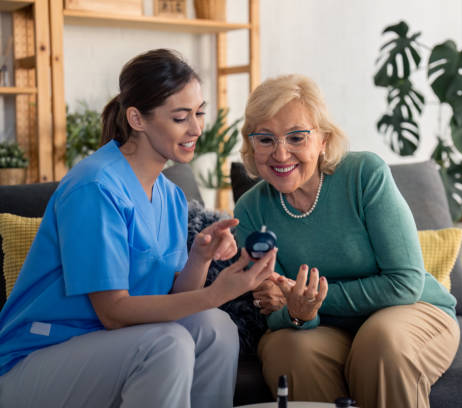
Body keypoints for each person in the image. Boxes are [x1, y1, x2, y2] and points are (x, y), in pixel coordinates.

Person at [0, 49, 276, 408]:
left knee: (216, 328)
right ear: (137, 119)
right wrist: (216, 293)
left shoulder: (171, 197)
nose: (196, 128)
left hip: (110, 347)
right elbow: (113, 312)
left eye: (199, 112)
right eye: (180, 117)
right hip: (37, 359)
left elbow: (172, 301)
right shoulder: (95, 188)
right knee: (167, 344)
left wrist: (199, 259)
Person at [233, 74, 460, 408]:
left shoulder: (365, 175)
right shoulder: (249, 210)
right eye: (265, 139)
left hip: (409, 311)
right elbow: (276, 311)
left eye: (296, 137)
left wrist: (310, 301)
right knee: (287, 349)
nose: (280, 154)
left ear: (323, 140)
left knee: (381, 341)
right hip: (322, 329)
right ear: (251, 145)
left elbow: (405, 283)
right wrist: (297, 314)